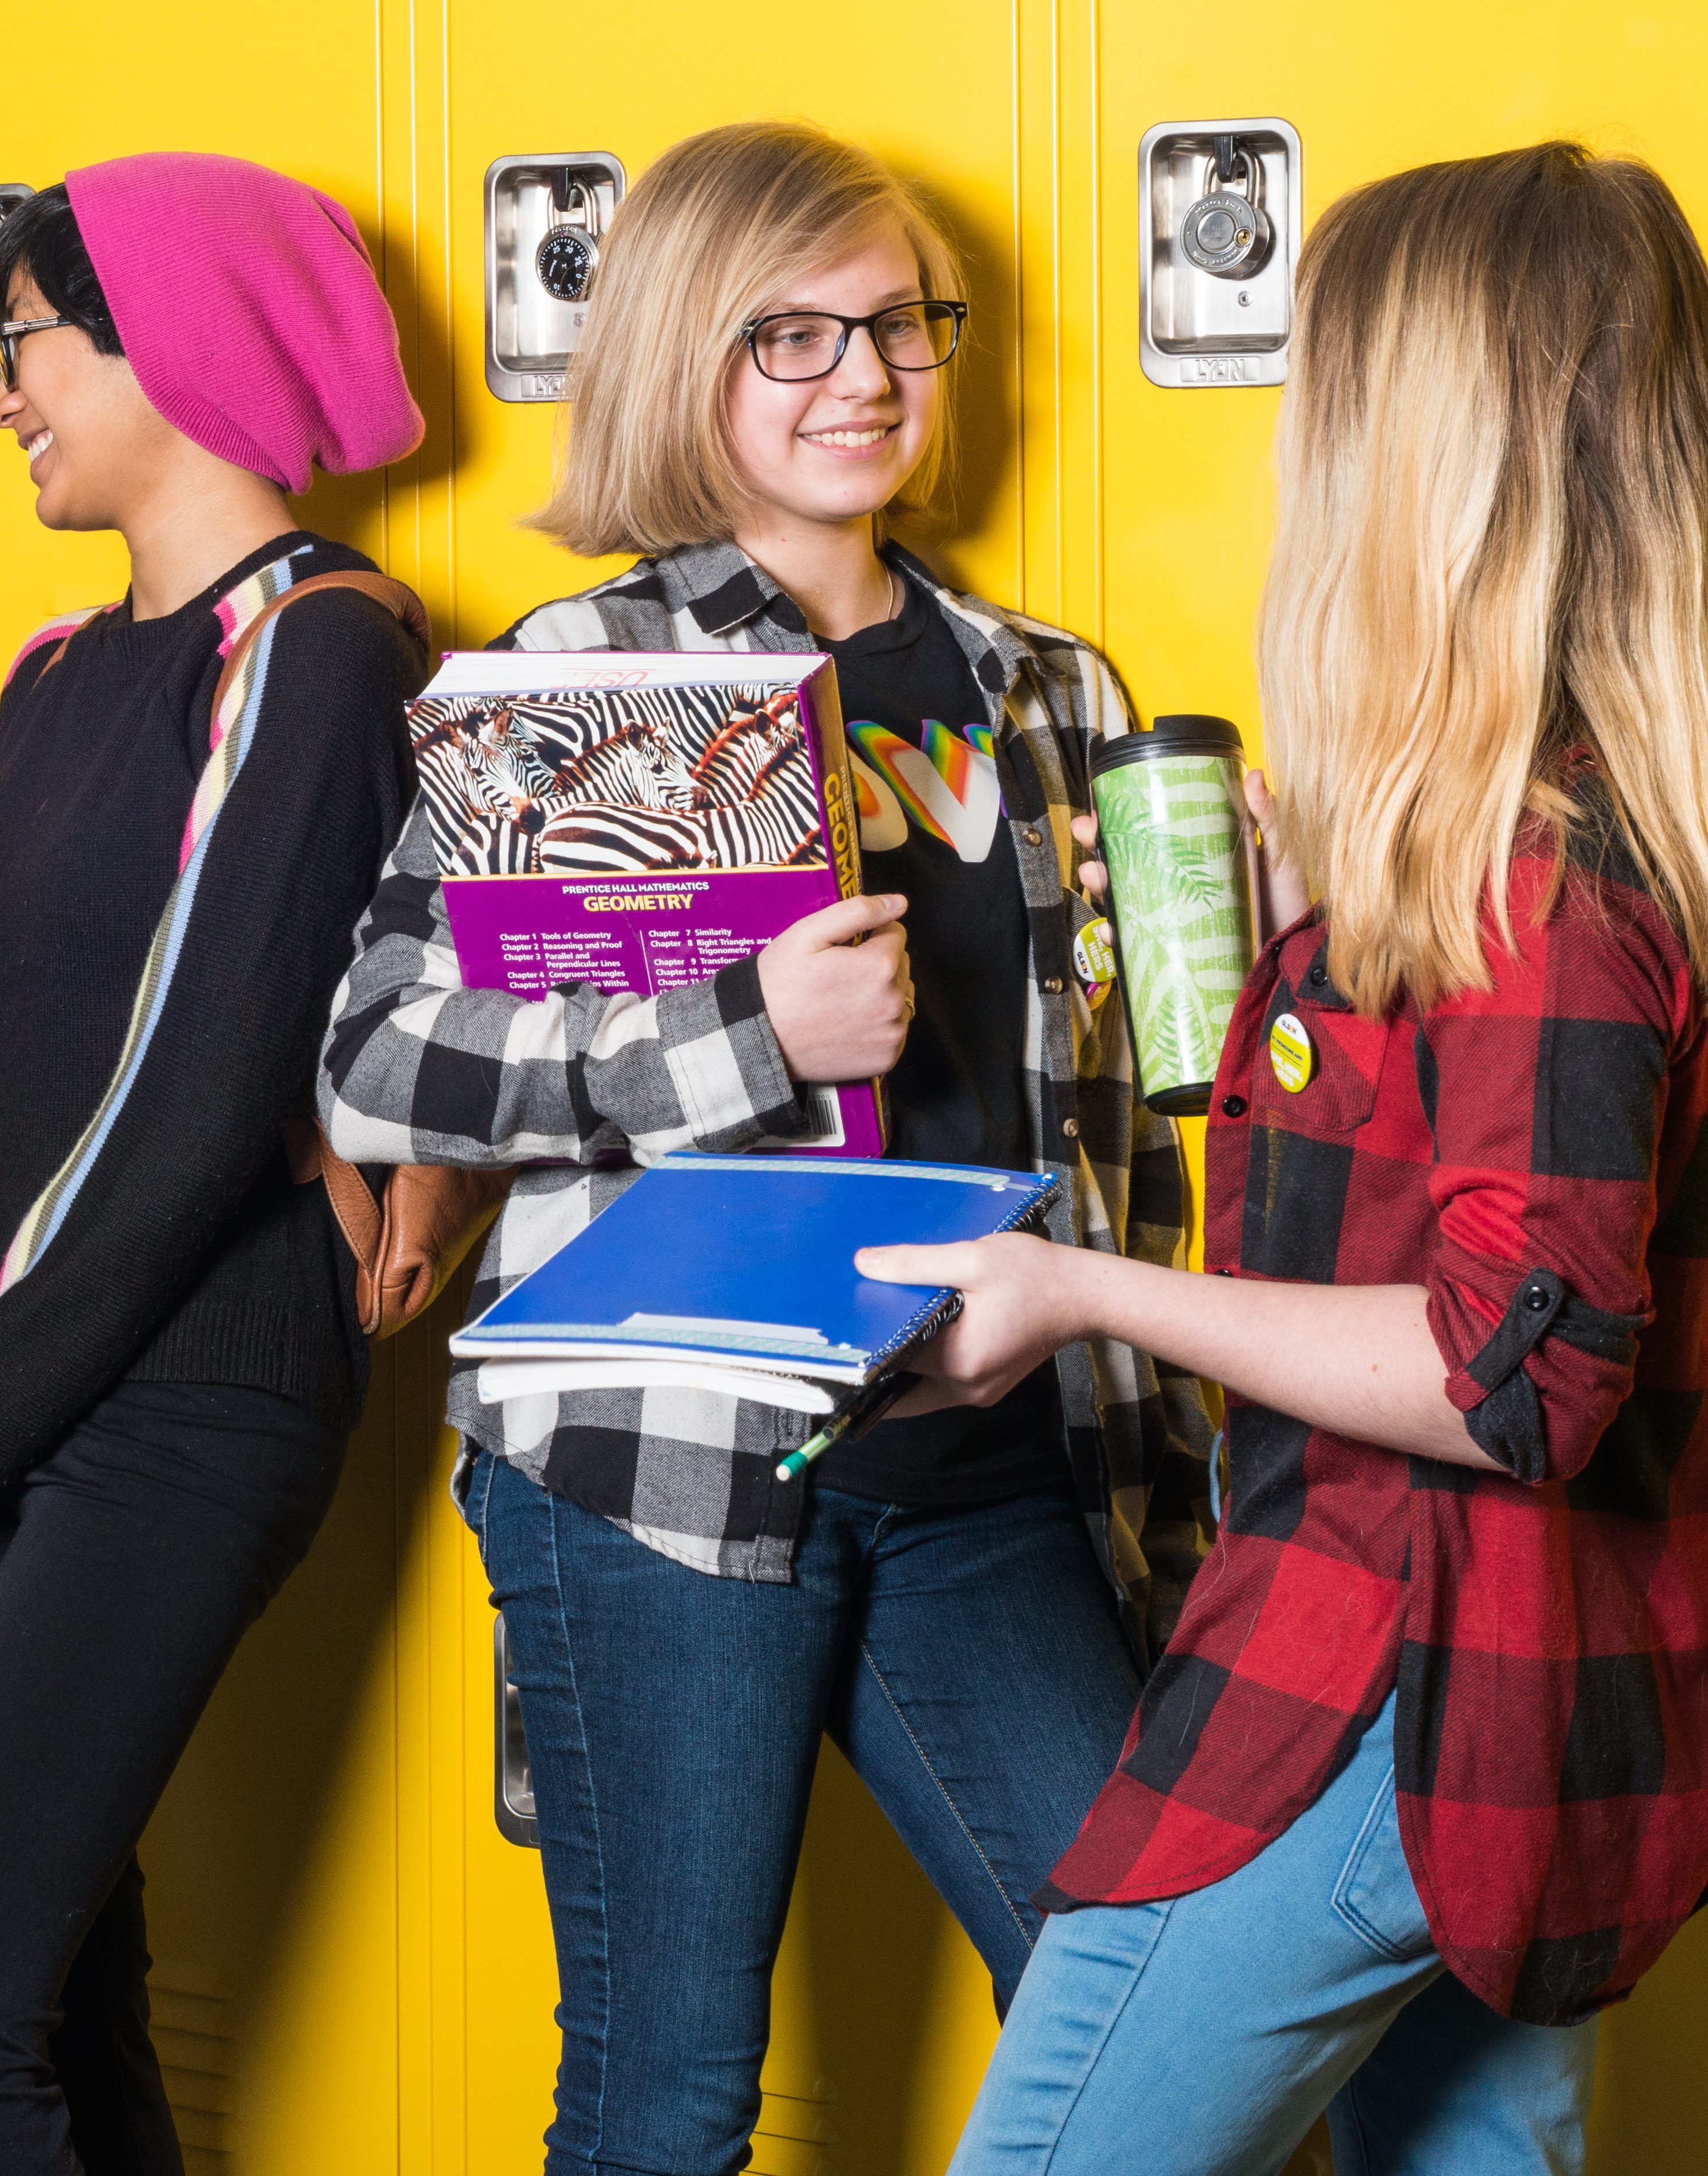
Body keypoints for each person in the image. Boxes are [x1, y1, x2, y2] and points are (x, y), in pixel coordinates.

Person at [892, 144, 1708, 2175]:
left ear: (1430, 468)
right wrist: (1309, 943)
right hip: (1568, 1722)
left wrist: (1077, 1289)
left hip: (1391, 1697)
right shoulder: (1659, 840)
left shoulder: (1546, 885)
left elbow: (1513, 1373)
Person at [320, 118, 1213, 2174]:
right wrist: (742, 1034)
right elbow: (380, 1065)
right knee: (667, 2100)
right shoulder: (585, 685)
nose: (864, 374)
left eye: (899, 322)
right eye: (788, 334)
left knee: (1154, 2004)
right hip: (663, 1465)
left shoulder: (1049, 695)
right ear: (676, 364)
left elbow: (1132, 1114)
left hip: (980, 1457)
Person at [0, 154, 431, 2171]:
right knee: (57, 2008)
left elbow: (193, 1096)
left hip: (186, 1392)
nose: (3, 394)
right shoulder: (53, 676)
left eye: (29, 347)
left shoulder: (318, 650)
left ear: (175, 347)